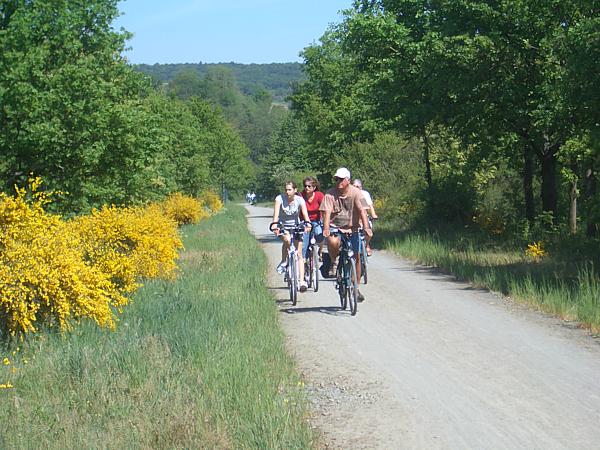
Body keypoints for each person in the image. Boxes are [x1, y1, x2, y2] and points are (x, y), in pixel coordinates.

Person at [320, 168, 372, 302]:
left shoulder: (357, 193)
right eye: (336, 179)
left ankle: (356, 287)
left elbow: (363, 211)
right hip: (335, 227)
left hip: (353, 227)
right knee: (333, 242)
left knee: (357, 256)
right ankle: (334, 262)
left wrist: (366, 227)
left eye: (341, 179)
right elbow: (326, 213)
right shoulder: (330, 194)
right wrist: (326, 228)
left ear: (348, 180)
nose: (338, 182)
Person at [271, 181, 312, 292]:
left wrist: (308, 224)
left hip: (296, 226)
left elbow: (305, 215)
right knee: (287, 240)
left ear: (295, 190)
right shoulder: (279, 199)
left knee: (299, 254)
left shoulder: (300, 200)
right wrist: (275, 225)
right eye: (286, 190)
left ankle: (302, 281)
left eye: (289, 190)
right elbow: (276, 215)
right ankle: (284, 261)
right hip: (283, 226)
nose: (287, 192)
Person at [300, 176, 325, 260]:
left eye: (309, 186)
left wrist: (324, 221)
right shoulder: (301, 196)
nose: (306, 188)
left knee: (319, 234)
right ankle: (303, 259)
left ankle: (320, 250)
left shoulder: (319, 195)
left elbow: (324, 209)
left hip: (316, 220)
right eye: (305, 186)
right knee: (304, 241)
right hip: (304, 221)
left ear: (314, 187)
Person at [352, 178, 378, 256]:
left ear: (361, 187)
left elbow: (369, 206)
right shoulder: (349, 194)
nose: (356, 188)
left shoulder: (364, 194)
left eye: (357, 187)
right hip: (352, 217)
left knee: (369, 233)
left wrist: (373, 214)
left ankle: (366, 245)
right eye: (354, 186)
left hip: (363, 217)